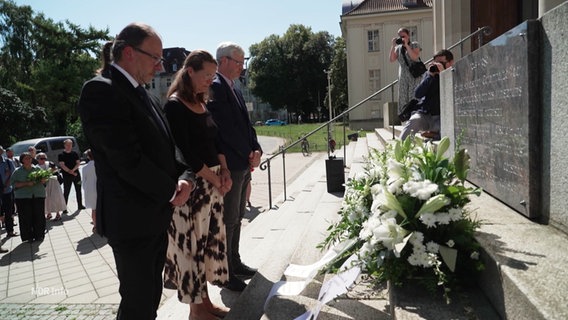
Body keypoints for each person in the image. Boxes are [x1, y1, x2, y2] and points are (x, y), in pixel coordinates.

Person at [78, 22, 195, 320]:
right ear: (129, 52)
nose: (159, 64)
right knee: (138, 303)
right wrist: (172, 190)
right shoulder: (101, 91)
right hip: (131, 221)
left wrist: (184, 177)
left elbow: (170, 147)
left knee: (148, 299)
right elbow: (126, 159)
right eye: (154, 57)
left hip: (154, 214)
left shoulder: (144, 93)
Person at [162, 49, 231, 320]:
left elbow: (216, 142)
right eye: (206, 75)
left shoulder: (203, 103)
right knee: (191, 248)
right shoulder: (174, 105)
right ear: (190, 71)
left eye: (214, 76)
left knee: (207, 246)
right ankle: (196, 311)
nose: (210, 81)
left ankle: (206, 303)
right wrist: (215, 179)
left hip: (213, 184)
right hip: (194, 186)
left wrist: (225, 171)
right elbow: (186, 152)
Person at [207, 42, 263, 292]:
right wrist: (246, 153)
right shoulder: (216, 87)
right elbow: (224, 130)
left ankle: (236, 262)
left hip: (243, 163)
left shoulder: (235, 88)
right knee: (228, 220)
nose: (242, 66)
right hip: (231, 164)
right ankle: (226, 271)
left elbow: (246, 126)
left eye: (243, 62)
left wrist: (257, 148)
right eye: (239, 62)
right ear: (224, 61)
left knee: (237, 217)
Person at [399, 49, 455, 141]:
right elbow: (418, 94)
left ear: (450, 62)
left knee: (448, 130)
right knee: (413, 121)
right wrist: (429, 76)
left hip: (441, 117)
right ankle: (400, 150)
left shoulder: (454, 74)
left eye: (441, 62)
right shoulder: (429, 75)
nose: (438, 65)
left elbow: (450, 93)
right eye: (435, 63)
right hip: (425, 115)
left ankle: (433, 135)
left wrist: (444, 74)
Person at [10, 152, 46, 242]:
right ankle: (28, 236)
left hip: (38, 195)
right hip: (23, 197)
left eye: (30, 158)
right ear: (22, 160)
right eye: (26, 158)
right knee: (26, 217)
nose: (29, 160)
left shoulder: (37, 169)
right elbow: (13, 184)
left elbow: (45, 181)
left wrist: (43, 180)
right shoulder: (18, 171)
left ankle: (39, 235)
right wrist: (26, 183)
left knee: (39, 215)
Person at [389, 28, 423, 114]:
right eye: (399, 36)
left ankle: (415, 115)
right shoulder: (398, 48)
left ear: (408, 36)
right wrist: (393, 46)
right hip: (403, 75)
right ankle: (405, 116)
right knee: (403, 97)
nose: (401, 38)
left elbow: (414, 57)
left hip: (414, 75)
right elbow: (391, 59)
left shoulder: (414, 45)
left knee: (414, 96)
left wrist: (407, 45)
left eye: (403, 36)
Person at [36, 153, 66, 221]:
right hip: (44, 184)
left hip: (53, 183)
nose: (43, 160)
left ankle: (58, 214)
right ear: (37, 159)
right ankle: (48, 213)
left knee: (55, 198)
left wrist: (51, 171)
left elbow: (55, 170)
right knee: (46, 199)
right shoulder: (36, 167)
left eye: (44, 158)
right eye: (41, 158)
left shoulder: (50, 163)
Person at [58, 139, 85, 212]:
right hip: (67, 176)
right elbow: (62, 165)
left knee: (78, 190)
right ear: (64, 145)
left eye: (70, 144)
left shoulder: (75, 153)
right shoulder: (61, 155)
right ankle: (64, 208)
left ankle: (80, 205)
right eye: (68, 145)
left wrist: (73, 171)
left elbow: (78, 163)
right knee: (66, 191)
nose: (69, 146)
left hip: (76, 175)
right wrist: (71, 172)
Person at [0, 146, 17, 239]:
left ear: (2, 151)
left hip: (7, 190)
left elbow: (13, 174)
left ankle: (10, 231)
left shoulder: (8, 162)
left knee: (8, 211)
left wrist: (6, 184)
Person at [81, 149, 97, 233]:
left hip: (90, 190)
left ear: (88, 156)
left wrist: (85, 190)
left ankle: (95, 226)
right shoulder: (100, 165)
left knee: (94, 209)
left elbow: (84, 181)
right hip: (100, 189)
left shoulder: (85, 168)